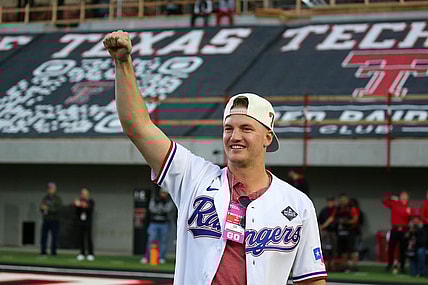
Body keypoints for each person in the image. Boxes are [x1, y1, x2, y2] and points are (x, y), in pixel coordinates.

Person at [103, 30, 327, 284]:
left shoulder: (298, 204)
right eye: (229, 128)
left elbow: (312, 280)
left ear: (268, 138)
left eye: (246, 128)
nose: (235, 136)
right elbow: (138, 127)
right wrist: (123, 64)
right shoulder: (193, 177)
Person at [141, 188, 174, 264]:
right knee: (151, 240)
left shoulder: (168, 201)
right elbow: (152, 209)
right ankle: (147, 257)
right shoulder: (155, 200)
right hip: (154, 223)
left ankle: (161, 257)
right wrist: (161, 209)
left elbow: (168, 209)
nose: (163, 195)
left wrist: (160, 208)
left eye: (165, 193)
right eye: (162, 193)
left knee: (163, 241)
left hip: (164, 223)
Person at [383, 191, 411, 274]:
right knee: (391, 248)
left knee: (403, 250)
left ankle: (402, 266)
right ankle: (390, 264)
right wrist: (391, 197)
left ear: (407, 198)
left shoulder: (409, 207)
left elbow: (411, 219)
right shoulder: (394, 204)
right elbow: (384, 201)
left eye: (405, 196)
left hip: (404, 230)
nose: (403, 197)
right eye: (402, 195)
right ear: (400, 197)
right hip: (395, 229)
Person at [335, 193, 358, 272]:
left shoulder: (351, 208)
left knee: (352, 250)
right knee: (343, 251)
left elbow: (355, 219)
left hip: (350, 232)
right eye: (341, 200)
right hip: (341, 232)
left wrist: (347, 222)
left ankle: (355, 267)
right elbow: (333, 218)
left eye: (344, 200)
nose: (343, 201)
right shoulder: (338, 209)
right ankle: (344, 266)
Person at [40, 182, 62, 256]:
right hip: (46, 219)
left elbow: (57, 209)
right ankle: (43, 251)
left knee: (54, 237)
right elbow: (41, 207)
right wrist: (42, 208)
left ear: (54, 189)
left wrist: (48, 208)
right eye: (49, 188)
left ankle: (53, 252)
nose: (50, 190)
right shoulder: (45, 198)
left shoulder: (58, 199)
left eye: (51, 188)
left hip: (54, 220)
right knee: (44, 236)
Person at [74, 188, 95, 261]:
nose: (83, 195)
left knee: (88, 238)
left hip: (88, 222)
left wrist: (81, 205)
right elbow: (76, 212)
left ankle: (90, 254)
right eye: (82, 193)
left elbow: (90, 209)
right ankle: (82, 253)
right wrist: (77, 205)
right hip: (80, 222)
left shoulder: (91, 201)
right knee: (81, 238)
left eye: (84, 193)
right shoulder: (79, 201)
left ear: (87, 194)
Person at [318, 196, 337, 271]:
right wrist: (322, 227)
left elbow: (333, 219)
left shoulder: (336, 210)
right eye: (329, 201)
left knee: (333, 250)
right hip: (325, 232)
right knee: (325, 249)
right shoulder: (324, 210)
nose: (330, 203)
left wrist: (323, 226)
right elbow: (319, 220)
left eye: (331, 201)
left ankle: (332, 266)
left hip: (333, 232)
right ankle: (324, 266)